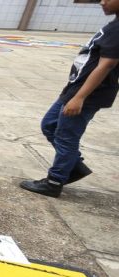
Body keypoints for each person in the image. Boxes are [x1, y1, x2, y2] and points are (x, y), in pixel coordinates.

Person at [20, 0, 119, 198]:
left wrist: (80, 97)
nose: (102, 2)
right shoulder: (114, 25)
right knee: (49, 125)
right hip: (74, 89)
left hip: (86, 94)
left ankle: (54, 181)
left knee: (67, 136)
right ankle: (73, 165)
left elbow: (106, 65)